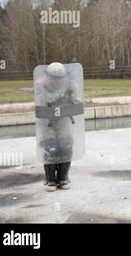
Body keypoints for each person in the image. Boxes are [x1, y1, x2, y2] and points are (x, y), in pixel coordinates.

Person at [34, 62, 85, 192]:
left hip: (64, 120)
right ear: (49, 77)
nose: (57, 80)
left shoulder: (70, 86)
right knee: (50, 147)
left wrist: (73, 97)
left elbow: (77, 101)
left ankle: (63, 177)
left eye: (59, 78)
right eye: (54, 78)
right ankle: (50, 179)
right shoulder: (41, 86)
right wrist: (60, 94)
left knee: (66, 147)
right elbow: (43, 102)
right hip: (48, 122)